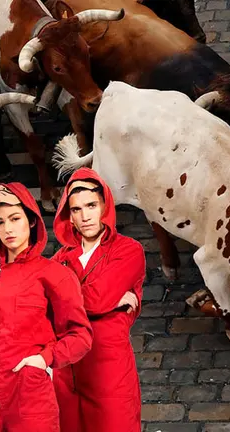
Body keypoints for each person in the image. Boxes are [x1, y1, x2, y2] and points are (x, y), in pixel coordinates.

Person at [0, 182, 93, 432]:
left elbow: (80, 336)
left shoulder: (54, 275)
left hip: (29, 398)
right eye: (0, 222)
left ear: (30, 221)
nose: (8, 229)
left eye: (15, 219)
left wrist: (43, 359)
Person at [51, 167, 147, 432]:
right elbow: (43, 306)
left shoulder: (128, 251)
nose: (85, 216)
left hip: (108, 371)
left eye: (91, 205)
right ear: (69, 217)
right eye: (76, 209)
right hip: (66, 373)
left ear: (105, 206)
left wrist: (66, 300)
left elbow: (95, 298)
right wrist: (108, 302)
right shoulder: (59, 259)